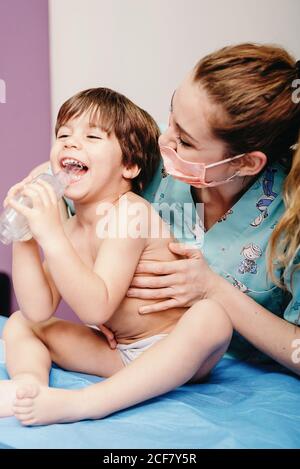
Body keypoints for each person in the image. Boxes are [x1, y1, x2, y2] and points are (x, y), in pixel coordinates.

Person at [0, 87, 232, 424]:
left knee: (212, 317)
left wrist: (50, 235)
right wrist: (24, 236)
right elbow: (37, 309)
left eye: (92, 136)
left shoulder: (130, 214)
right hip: (120, 354)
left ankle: (87, 403)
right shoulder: (68, 228)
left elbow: (97, 306)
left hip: (176, 350)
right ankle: (27, 389)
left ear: (130, 165)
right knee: (22, 323)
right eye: (63, 134)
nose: (70, 143)